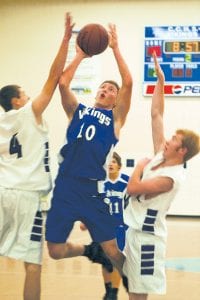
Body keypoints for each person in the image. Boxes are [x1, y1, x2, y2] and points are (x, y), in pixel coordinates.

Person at [45, 23, 133, 276]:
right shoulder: (78, 111)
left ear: (116, 100)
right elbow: (62, 84)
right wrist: (80, 55)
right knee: (55, 251)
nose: (106, 90)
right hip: (64, 186)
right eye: (103, 88)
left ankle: (137, 287)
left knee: (114, 251)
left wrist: (116, 49)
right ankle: (87, 251)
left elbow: (128, 82)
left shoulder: (116, 119)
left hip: (91, 190)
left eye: (111, 90)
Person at [0, 13, 74, 300]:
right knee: (33, 266)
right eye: (25, 94)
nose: (30, 97)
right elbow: (53, 78)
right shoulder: (28, 113)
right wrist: (66, 40)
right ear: (16, 101)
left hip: (3, 191)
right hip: (27, 196)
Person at [123, 52, 200, 300]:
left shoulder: (171, 178)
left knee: (138, 294)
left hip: (148, 242)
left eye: (173, 140)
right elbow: (156, 114)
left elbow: (134, 188)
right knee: (132, 287)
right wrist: (160, 80)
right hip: (133, 233)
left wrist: (138, 166)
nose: (167, 141)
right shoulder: (160, 155)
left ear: (183, 151)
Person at [80, 151, 129, 300]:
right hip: (103, 228)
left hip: (123, 229)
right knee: (105, 260)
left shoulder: (127, 182)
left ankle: (113, 291)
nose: (110, 164)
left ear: (119, 165)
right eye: (108, 162)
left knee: (116, 260)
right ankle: (109, 291)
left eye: (114, 161)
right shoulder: (100, 183)